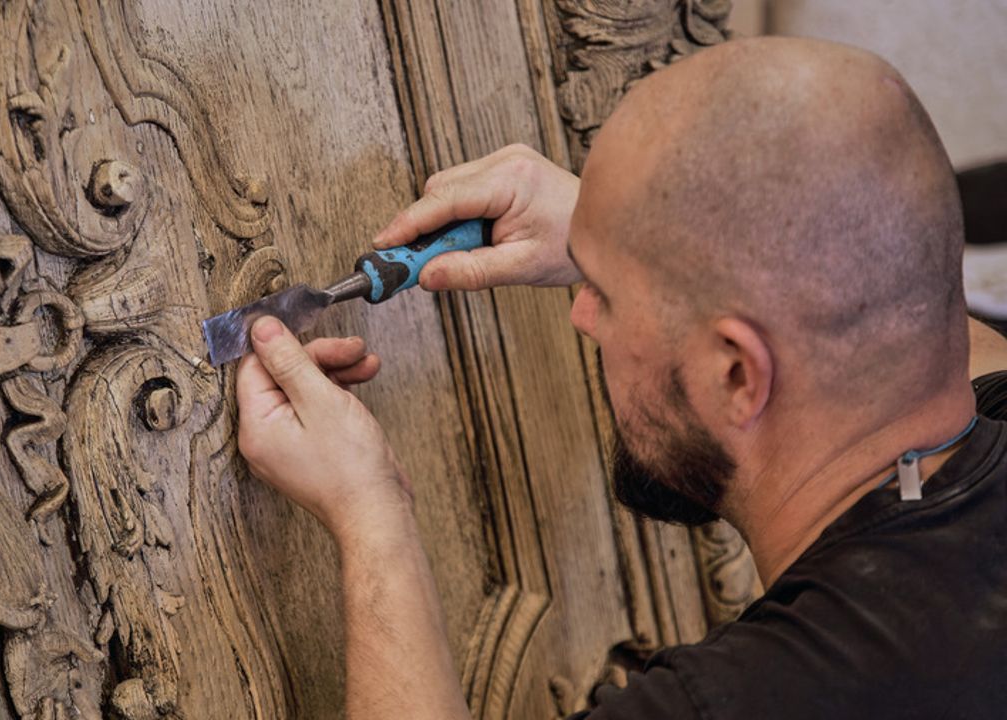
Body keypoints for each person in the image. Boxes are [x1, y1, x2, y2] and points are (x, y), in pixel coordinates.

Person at [234, 36, 1007, 719]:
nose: (583, 315)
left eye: (603, 292)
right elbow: (906, 304)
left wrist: (371, 512)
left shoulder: (776, 694)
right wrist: (618, 227)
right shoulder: (950, 386)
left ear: (737, 375)